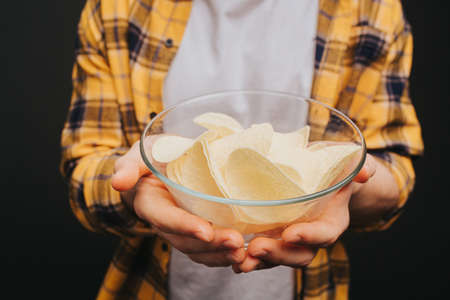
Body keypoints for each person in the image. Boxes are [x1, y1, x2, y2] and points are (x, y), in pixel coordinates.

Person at [60, 0, 424, 299]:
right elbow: (84, 172)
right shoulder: (116, 8)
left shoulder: (370, 9)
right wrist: (140, 185)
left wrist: (344, 180)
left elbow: (395, 169)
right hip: (152, 285)